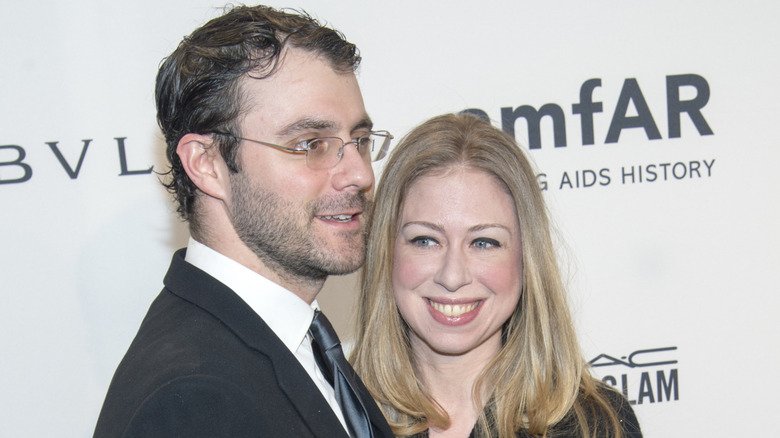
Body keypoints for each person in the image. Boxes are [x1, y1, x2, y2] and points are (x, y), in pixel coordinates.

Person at [94, 5, 393, 437]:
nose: (360, 174)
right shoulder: (194, 400)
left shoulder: (294, 342)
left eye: (360, 140)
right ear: (206, 163)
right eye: (310, 144)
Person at [351, 113, 642, 438]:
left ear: (526, 258)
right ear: (386, 252)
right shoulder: (336, 416)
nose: (452, 276)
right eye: (426, 240)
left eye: (484, 242)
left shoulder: (596, 424)